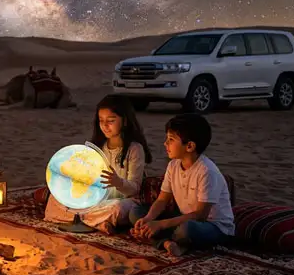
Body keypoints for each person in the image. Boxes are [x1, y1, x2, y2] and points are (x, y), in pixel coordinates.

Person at [130, 113, 234, 257]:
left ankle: (163, 240)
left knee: (186, 230)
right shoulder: (173, 165)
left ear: (190, 146)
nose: (165, 144)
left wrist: (160, 224)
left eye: (171, 140)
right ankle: (167, 243)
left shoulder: (207, 171)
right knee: (136, 213)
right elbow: (161, 200)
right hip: (184, 217)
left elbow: (200, 215)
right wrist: (148, 219)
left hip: (212, 226)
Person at [45, 94, 152, 233]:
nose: (105, 126)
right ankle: (97, 223)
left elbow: (135, 189)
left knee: (117, 209)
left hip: (123, 199)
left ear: (125, 121)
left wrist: (118, 182)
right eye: (101, 120)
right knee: (54, 199)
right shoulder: (97, 147)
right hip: (98, 200)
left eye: (111, 120)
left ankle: (81, 219)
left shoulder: (134, 149)